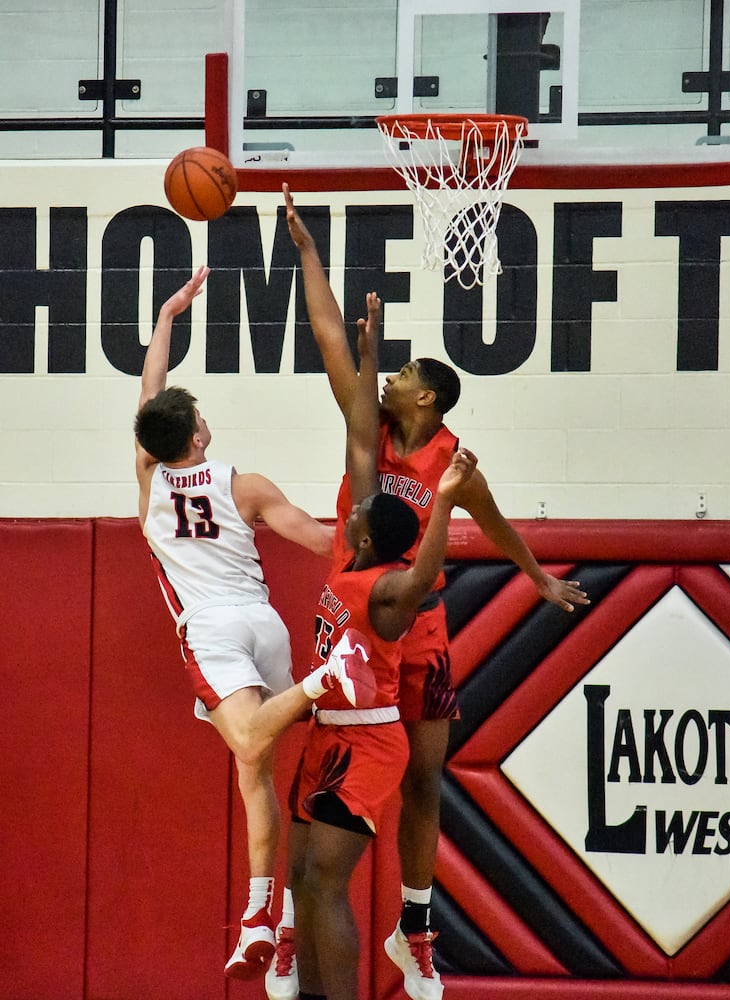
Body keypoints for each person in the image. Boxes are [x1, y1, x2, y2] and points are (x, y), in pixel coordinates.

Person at [282, 183, 590, 1000]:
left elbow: (489, 522)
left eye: (402, 373)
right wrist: (309, 254)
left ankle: (413, 928)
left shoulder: (452, 458)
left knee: (424, 779)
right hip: (357, 623)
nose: (388, 378)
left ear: (426, 398)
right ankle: (292, 922)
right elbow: (326, 337)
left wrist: (534, 578)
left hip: (412, 624)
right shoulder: (365, 433)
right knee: (321, 800)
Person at [135, 265, 372, 988]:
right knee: (254, 771)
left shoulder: (147, 474)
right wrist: (368, 541)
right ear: (200, 431)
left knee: (244, 740)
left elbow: (149, 395)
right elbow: (312, 536)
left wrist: (169, 317)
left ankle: (327, 679)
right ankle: (262, 915)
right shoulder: (247, 485)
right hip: (263, 625)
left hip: (212, 631)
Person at [285, 287, 477, 1000]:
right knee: (307, 876)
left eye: (355, 508)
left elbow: (429, 566)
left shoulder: (386, 584)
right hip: (335, 726)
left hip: (370, 724)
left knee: (331, 871)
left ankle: (414, 927)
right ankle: (287, 944)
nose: (348, 502)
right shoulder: (348, 561)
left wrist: (523, 569)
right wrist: (365, 351)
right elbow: (351, 404)